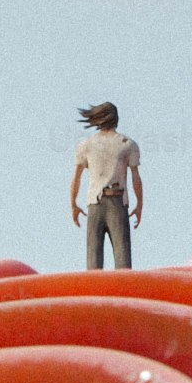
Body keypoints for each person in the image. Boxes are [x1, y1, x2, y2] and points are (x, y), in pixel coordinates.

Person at [67, 101, 142, 271]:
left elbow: (76, 178)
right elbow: (136, 178)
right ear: (116, 119)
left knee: (93, 264)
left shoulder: (86, 145)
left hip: (95, 204)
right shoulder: (127, 144)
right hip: (117, 202)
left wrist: (73, 204)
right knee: (123, 263)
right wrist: (139, 205)